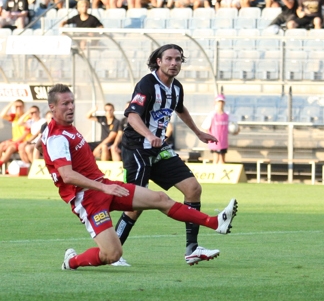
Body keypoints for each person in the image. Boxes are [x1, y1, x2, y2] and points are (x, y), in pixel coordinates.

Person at [39, 84, 237, 271]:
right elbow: (67, 175)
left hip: (103, 186)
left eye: (72, 102)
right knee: (112, 254)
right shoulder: (58, 138)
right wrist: (102, 188)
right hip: (88, 199)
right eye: (65, 104)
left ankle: (215, 222)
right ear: (52, 107)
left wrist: (104, 186)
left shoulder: (58, 129)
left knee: (160, 198)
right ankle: (72, 262)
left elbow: (46, 147)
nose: (71, 107)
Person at [113, 44, 231, 267]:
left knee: (193, 189)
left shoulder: (176, 87)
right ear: (159, 61)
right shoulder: (147, 84)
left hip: (159, 148)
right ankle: (113, 252)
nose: (174, 63)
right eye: (168, 59)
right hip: (137, 146)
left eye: (178, 59)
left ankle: (192, 249)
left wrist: (198, 132)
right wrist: (149, 134)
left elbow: (180, 109)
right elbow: (132, 115)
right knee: (135, 204)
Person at [201, 94, 236, 164]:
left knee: (222, 160)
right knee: (216, 159)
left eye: (222, 102)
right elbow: (205, 127)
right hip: (214, 141)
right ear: (215, 103)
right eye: (219, 101)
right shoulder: (212, 115)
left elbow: (233, 126)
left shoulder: (227, 115)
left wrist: (236, 130)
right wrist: (209, 137)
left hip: (223, 142)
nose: (220, 103)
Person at [0, 99, 28, 171]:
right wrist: (11, 103)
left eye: (20, 106)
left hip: (23, 141)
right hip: (15, 141)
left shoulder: (27, 117)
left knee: (10, 148)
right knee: (1, 145)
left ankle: (0, 164)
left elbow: (25, 134)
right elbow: (2, 115)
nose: (18, 108)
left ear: (23, 107)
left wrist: (13, 142)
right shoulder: (14, 116)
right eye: (16, 107)